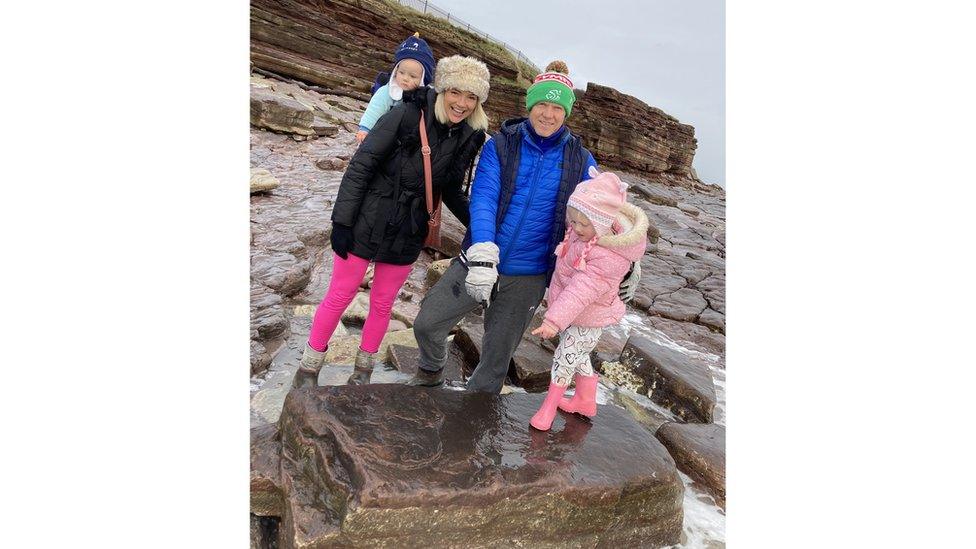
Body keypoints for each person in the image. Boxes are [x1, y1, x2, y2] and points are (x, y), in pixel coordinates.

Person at [294, 55, 491, 389]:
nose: (463, 103)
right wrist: (341, 221)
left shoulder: (468, 136)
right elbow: (362, 165)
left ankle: (362, 372)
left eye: (472, 96)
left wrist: (485, 231)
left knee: (383, 303)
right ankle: (309, 368)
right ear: (443, 89)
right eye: (456, 92)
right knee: (339, 295)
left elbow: (452, 189)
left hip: (409, 230)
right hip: (366, 218)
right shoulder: (406, 113)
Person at [409, 60, 606, 392]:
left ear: (566, 113)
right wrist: (484, 252)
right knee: (427, 324)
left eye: (557, 107)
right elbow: (484, 196)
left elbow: (603, 214)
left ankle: (467, 426)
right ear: (530, 105)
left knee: (495, 363)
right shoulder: (501, 143)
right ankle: (431, 371)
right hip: (479, 259)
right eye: (542, 103)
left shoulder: (581, 160)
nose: (548, 113)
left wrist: (628, 260)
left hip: (528, 276)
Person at [527, 168, 648, 431]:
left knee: (565, 355)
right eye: (573, 221)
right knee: (578, 353)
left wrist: (553, 320)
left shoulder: (609, 256)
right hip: (575, 312)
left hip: (588, 316)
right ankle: (585, 399)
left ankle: (548, 408)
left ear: (603, 223)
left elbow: (581, 289)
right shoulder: (586, 232)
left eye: (583, 224)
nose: (575, 228)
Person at [357, 33, 436, 144]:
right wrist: (365, 129)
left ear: (423, 79)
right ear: (395, 71)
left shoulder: (426, 97)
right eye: (401, 73)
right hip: (384, 133)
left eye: (412, 76)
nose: (405, 78)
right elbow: (374, 109)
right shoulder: (388, 92)